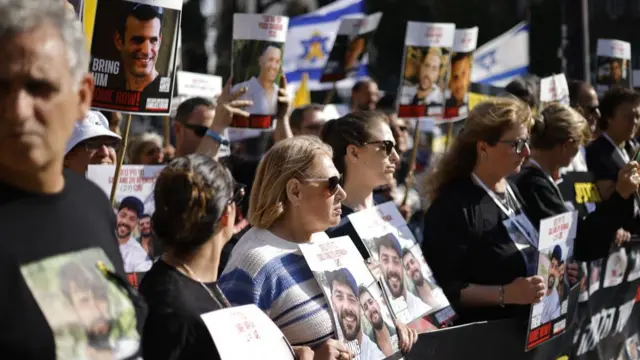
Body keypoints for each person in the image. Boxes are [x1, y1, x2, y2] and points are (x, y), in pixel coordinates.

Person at [0, 0, 142, 357]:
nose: (18, 110)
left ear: (82, 96)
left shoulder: (93, 204)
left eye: (40, 87)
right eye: (1, 88)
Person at [218, 136, 417, 357]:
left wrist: (389, 329)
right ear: (295, 191)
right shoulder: (253, 263)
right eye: (332, 184)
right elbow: (231, 352)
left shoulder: (325, 241)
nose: (342, 193)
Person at [138, 155, 314, 360]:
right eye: (237, 197)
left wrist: (287, 353)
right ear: (225, 215)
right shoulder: (174, 310)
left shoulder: (180, 283)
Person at [422, 97, 545, 325]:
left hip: (526, 334)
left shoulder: (513, 188)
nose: (527, 152)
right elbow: (445, 289)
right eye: (517, 144)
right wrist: (507, 294)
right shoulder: (453, 206)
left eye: (527, 142)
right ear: (483, 147)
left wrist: (555, 270)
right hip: (486, 342)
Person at [514, 102, 639, 263]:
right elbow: (580, 240)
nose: (578, 151)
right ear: (567, 145)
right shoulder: (534, 184)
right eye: (578, 145)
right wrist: (621, 195)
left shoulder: (538, 179)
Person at [322, 111, 400, 258]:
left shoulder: (386, 208)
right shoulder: (328, 226)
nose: (395, 157)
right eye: (386, 146)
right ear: (354, 153)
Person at [586, 87, 640, 237]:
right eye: (628, 116)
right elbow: (605, 197)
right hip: (613, 238)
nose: (634, 122)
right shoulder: (597, 152)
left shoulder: (633, 148)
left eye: (637, 116)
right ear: (609, 117)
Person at [325, 268, 385, 359]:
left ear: (360, 308)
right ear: (333, 303)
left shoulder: (374, 353)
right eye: (339, 297)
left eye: (351, 299)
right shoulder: (331, 349)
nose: (346, 306)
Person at [374, 234, 431, 318]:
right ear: (379, 265)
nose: (391, 268)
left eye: (395, 260)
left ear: (402, 267)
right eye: (385, 260)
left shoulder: (421, 308)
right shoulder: (382, 312)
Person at [114, 3, 164, 94]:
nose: (146, 51)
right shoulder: (112, 95)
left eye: (153, 40)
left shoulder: (170, 93)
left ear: (159, 42)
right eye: (137, 40)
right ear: (119, 41)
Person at [232, 44, 282, 115]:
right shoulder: (239, 90)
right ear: (260, 60)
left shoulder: (281, 94)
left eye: (277, 62)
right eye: (270, 60)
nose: (273, 66)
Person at [400, 47, 444, 114]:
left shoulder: (441, 101)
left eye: (434, 69)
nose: (428, 73)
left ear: (438, 74)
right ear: (420, 66)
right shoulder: (404, 91)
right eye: (426, 65)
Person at [358, 285, 397, 357]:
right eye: (365, 308)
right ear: (366, 316)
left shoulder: (398, 334)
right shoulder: (367, 349)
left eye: (370, 302)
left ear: (378, 304)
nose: (370, 308)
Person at [117, 196, 153, 273]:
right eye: (122, 215)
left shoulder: (140, 258)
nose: (125, 221)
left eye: (132, 219)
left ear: (136, 223)